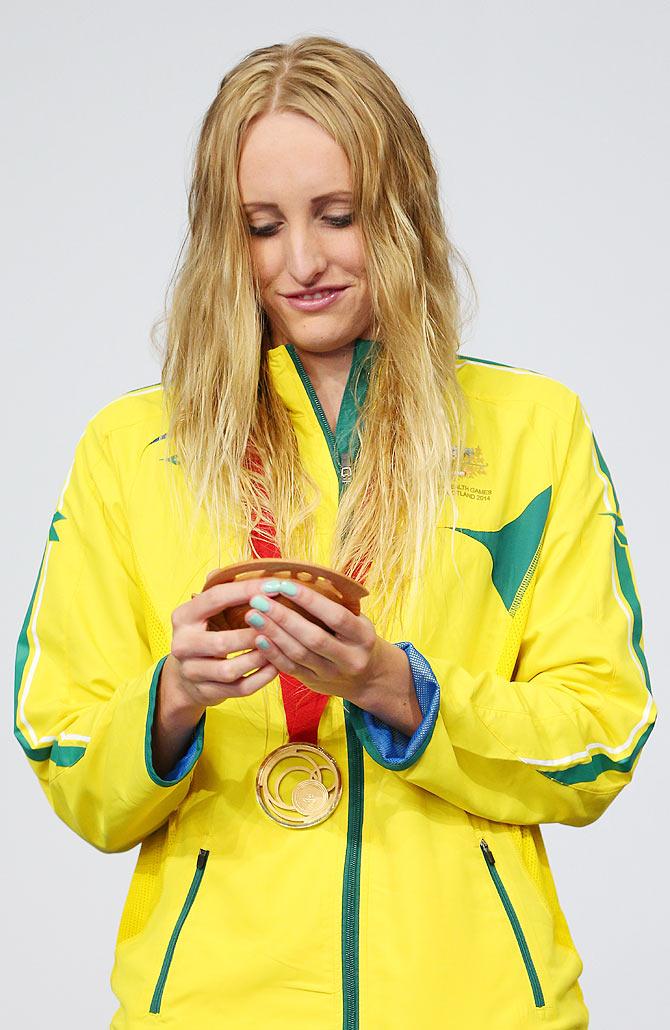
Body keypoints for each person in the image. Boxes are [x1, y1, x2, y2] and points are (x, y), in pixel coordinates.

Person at [14, 34, 656, 1030]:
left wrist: (398, 690)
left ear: (399, 211)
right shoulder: (129, 447)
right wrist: (173, 696)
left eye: (338, 216)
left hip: (477, 1006)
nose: (301, 261)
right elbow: (64, 754)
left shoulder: (534, 430)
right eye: (261, 226)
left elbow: (600, 737)